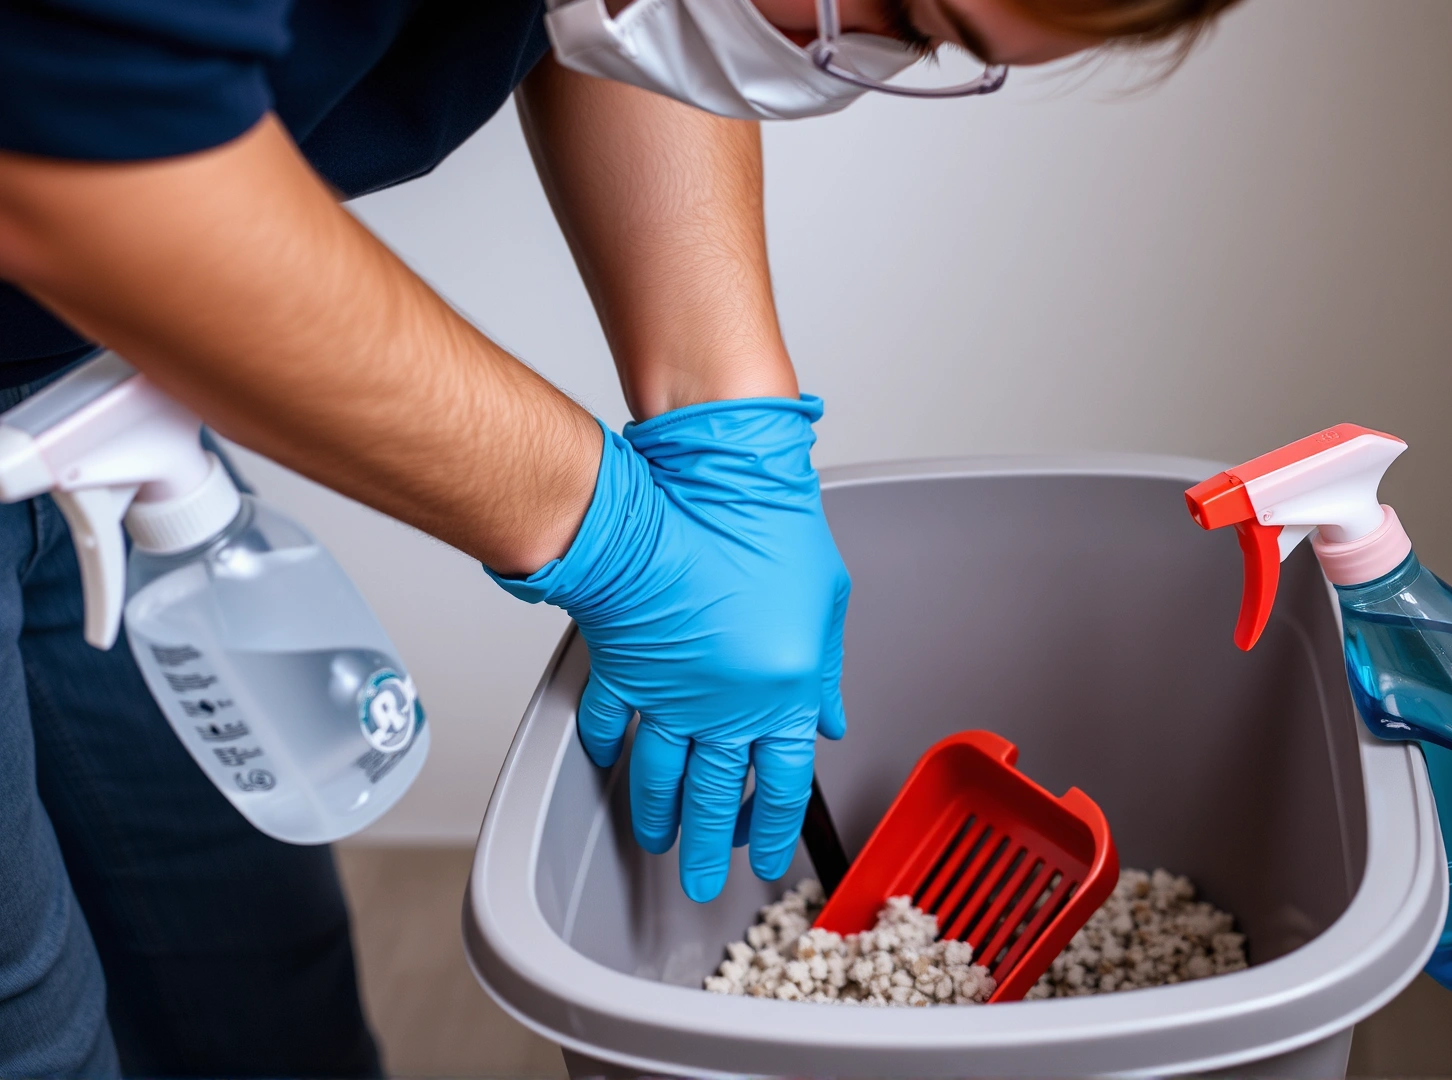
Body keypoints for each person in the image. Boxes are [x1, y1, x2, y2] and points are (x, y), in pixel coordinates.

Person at [0, 0, 1240, 1073]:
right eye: (917, 19)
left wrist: (727, 417)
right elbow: (88, 159)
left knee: (251, 987)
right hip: (79, 279)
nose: (869, 58)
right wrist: (613, 533)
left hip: (76, 383)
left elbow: (630, 24)